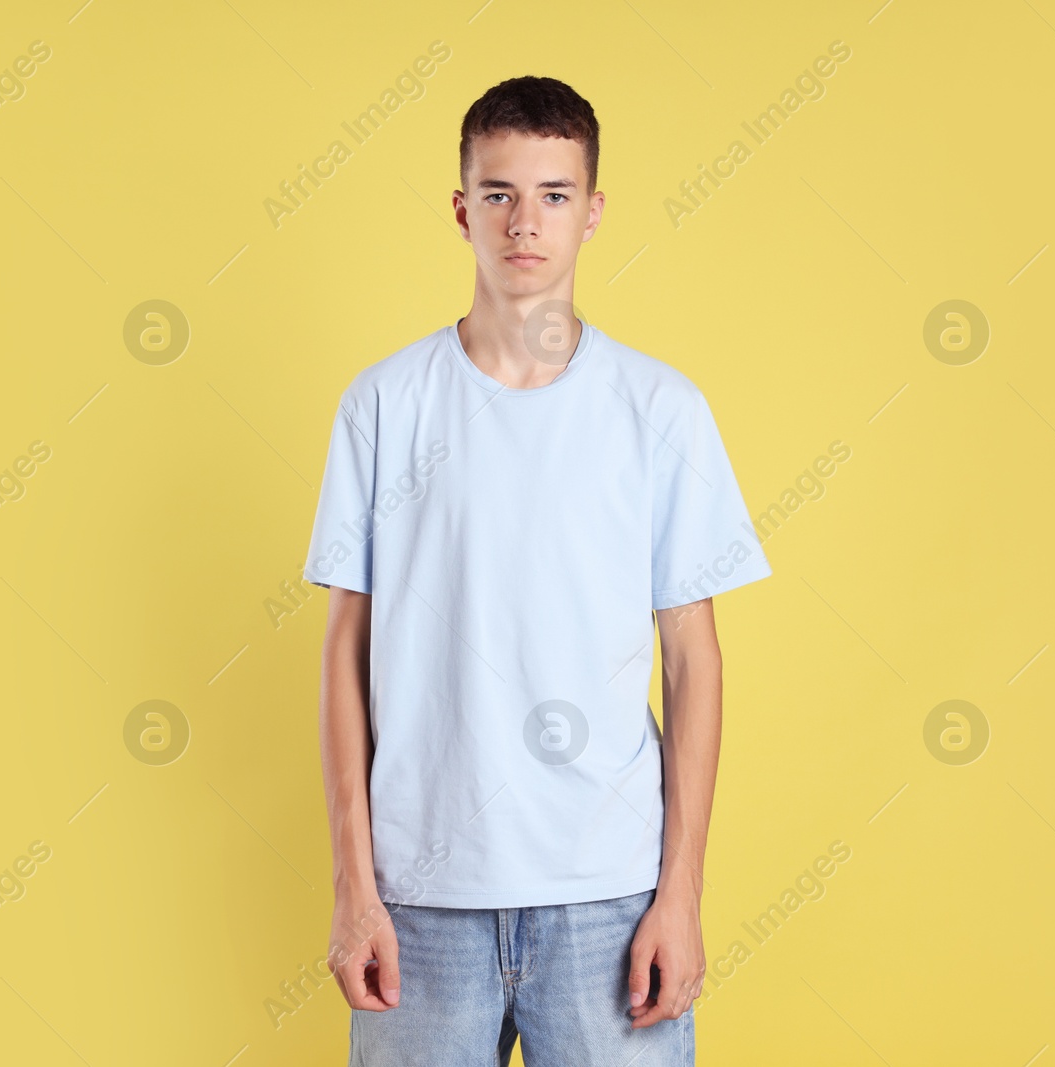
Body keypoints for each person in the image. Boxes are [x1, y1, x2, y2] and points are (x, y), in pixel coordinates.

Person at [303, 75, 771, 1066]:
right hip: (420, 900)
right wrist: (355, 886)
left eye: (555, 194)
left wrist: (679, 895)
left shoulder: (660, 409)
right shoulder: (383, 406)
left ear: (592, 213)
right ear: (462, 206)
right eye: (501, 192)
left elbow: (693, 659)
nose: (526, 222)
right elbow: (345, 649)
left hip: (607, 898)